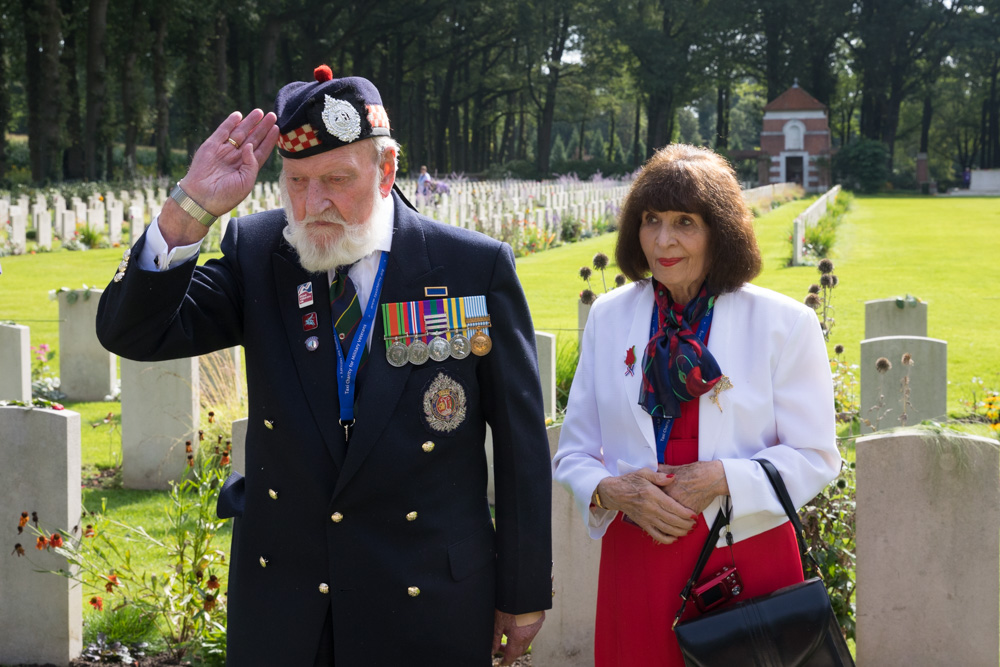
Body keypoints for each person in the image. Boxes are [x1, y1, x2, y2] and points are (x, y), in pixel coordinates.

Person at [96, 66, 551, 666]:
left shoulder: (470, 267)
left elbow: (519, 444)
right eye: (297, 181)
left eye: (337, 178)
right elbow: (134, 330)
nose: (313, 205)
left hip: (425, 599)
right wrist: (192, 210)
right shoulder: (259, 252)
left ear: (386, 171)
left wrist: (521, 593)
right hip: (287, 604)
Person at [551, 144, 841, 666]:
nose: (664, 240)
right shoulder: (610, 316)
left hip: (746, 559)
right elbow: (574, 454)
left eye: (685, 222)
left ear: (720, 230)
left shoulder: (783, 324)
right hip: (638, 553)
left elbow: (817, 456)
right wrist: (610, 490)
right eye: (651, 220)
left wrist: (725, 477)